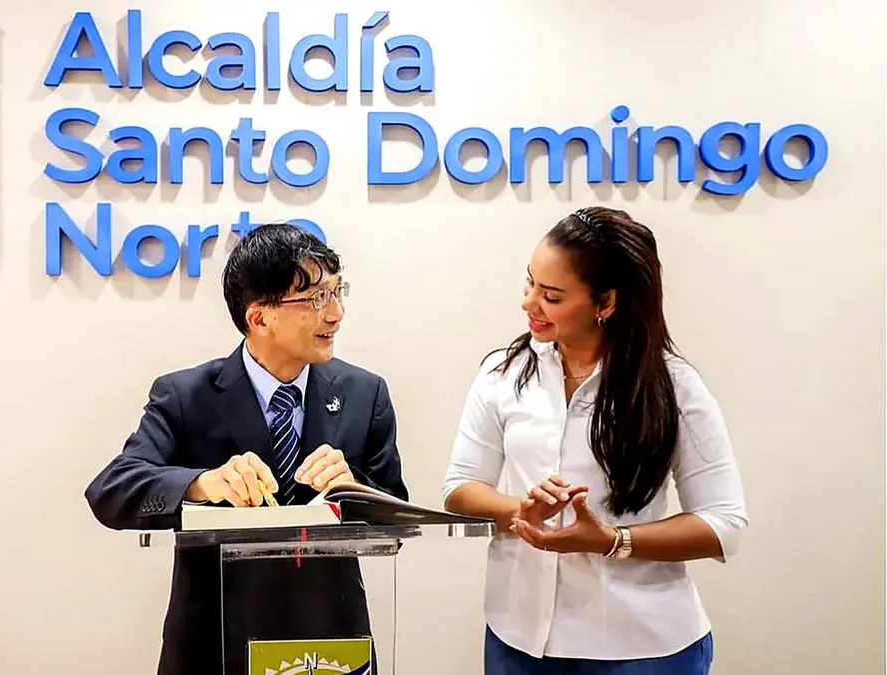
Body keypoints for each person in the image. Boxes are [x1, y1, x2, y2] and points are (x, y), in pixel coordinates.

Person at [85, 223, 409, 675]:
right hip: (217, 644)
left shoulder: (364, 393)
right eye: (316, 298)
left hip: (330, 645)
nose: (335, 314)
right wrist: (201, 483)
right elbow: (111, 489)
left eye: (337, 292)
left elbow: (396, 510)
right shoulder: (186, 396)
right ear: (258, 318)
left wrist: (353, 488)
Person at [442, 206, 748, 675]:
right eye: (530, 283)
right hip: (517, 639)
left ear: (606, 303)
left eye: (551, 296)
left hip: (641, 646)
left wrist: (611, 540)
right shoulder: (502, 373)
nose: (529, 304)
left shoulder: (674, 387)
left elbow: (723, 523)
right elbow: (460, 488)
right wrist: (520, 510)